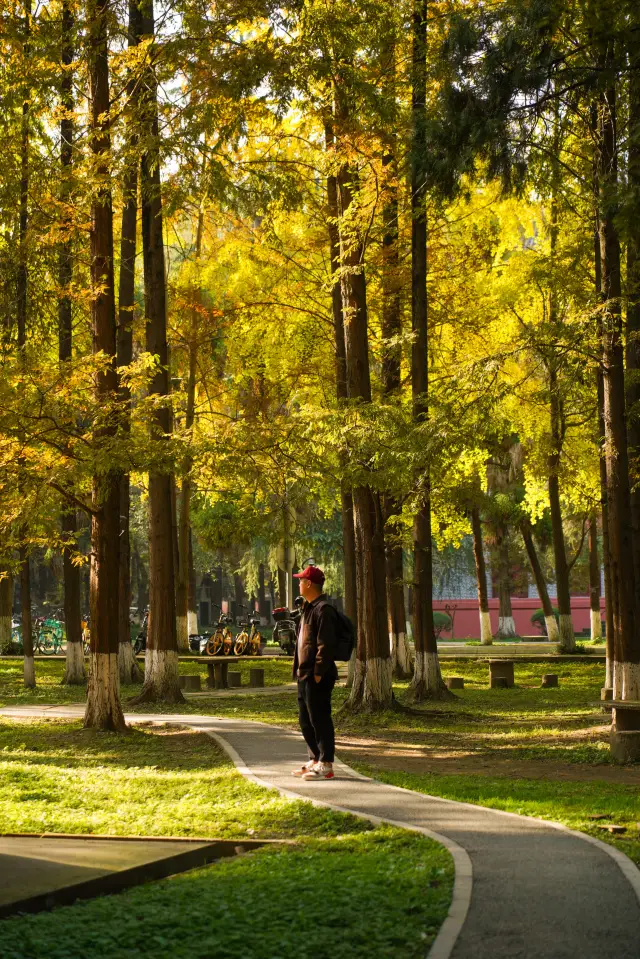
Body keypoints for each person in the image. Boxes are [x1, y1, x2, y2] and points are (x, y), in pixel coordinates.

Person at [291, 565, 338, 781]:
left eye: (301, 580)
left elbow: (325, 644)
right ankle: (315, 758)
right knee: (306, 719)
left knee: (319, 718)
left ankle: (326, 764)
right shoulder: (308, 608)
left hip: (317, 675)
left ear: (309, 584)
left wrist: (318, 672)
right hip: (304, 674)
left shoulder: (324, 610)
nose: (298, 583)